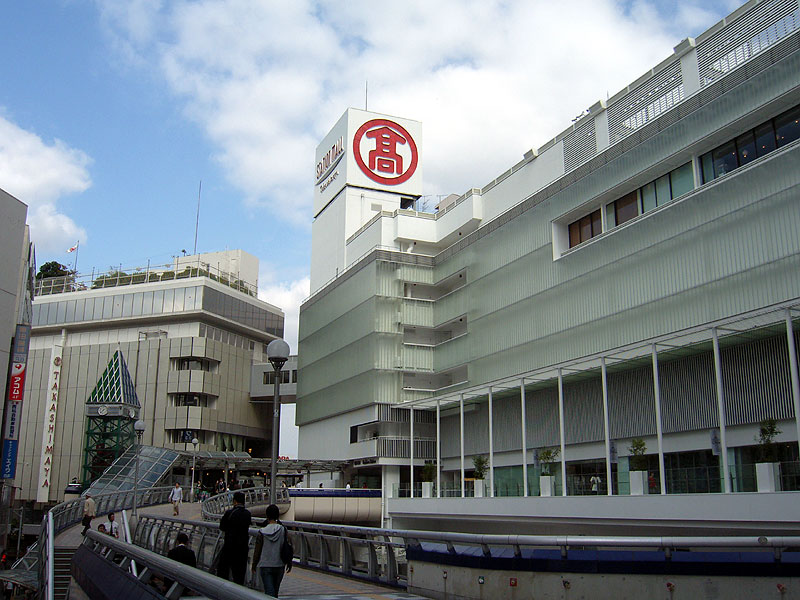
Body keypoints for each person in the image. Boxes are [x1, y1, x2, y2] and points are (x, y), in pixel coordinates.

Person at [251, 504, 291, 597]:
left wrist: (254, 565)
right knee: (275, 592)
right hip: (279, 564)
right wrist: (289, 562)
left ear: (267, 515)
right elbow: (288, 546)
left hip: (265, 564)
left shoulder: (262, 531)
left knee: (269, 592)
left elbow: (258, 550)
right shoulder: (283, 530)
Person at [217, 491, 252, 584]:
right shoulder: (248, 514)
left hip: (230, 546)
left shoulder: (229, 513)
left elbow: (222, 527)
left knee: (223, 570)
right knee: (239, 574)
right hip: (243, 547)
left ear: (235, 501)